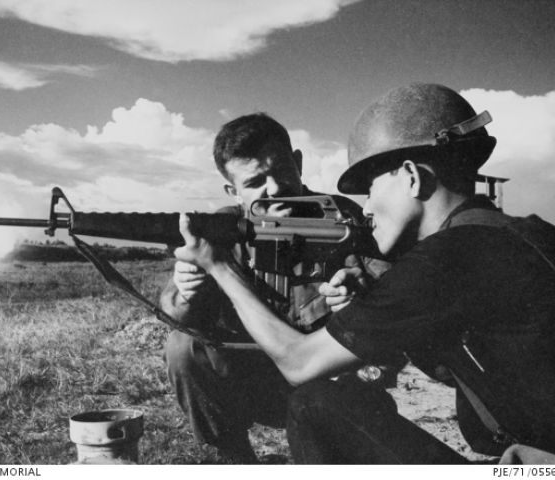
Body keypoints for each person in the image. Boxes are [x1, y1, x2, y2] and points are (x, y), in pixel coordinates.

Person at [174, 84, 555, 463]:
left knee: (314, 406)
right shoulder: (530, 233)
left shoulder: (443, 259)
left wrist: (218, 266)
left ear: (411, 176)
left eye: (371, 188)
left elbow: (300, 363)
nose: (367, 207)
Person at [160, 112, 391, 463]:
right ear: (233, 191)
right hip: (255, 380)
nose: (274, 188)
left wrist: (358, 297)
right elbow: (175, 315)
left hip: (330, 375)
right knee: (183, 347)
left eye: (281, 170)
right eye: (254, 181)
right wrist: (185, 291)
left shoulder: (342, 219)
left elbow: (393, 300)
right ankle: (234, 458)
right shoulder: (220, 231)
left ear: (298, 162)